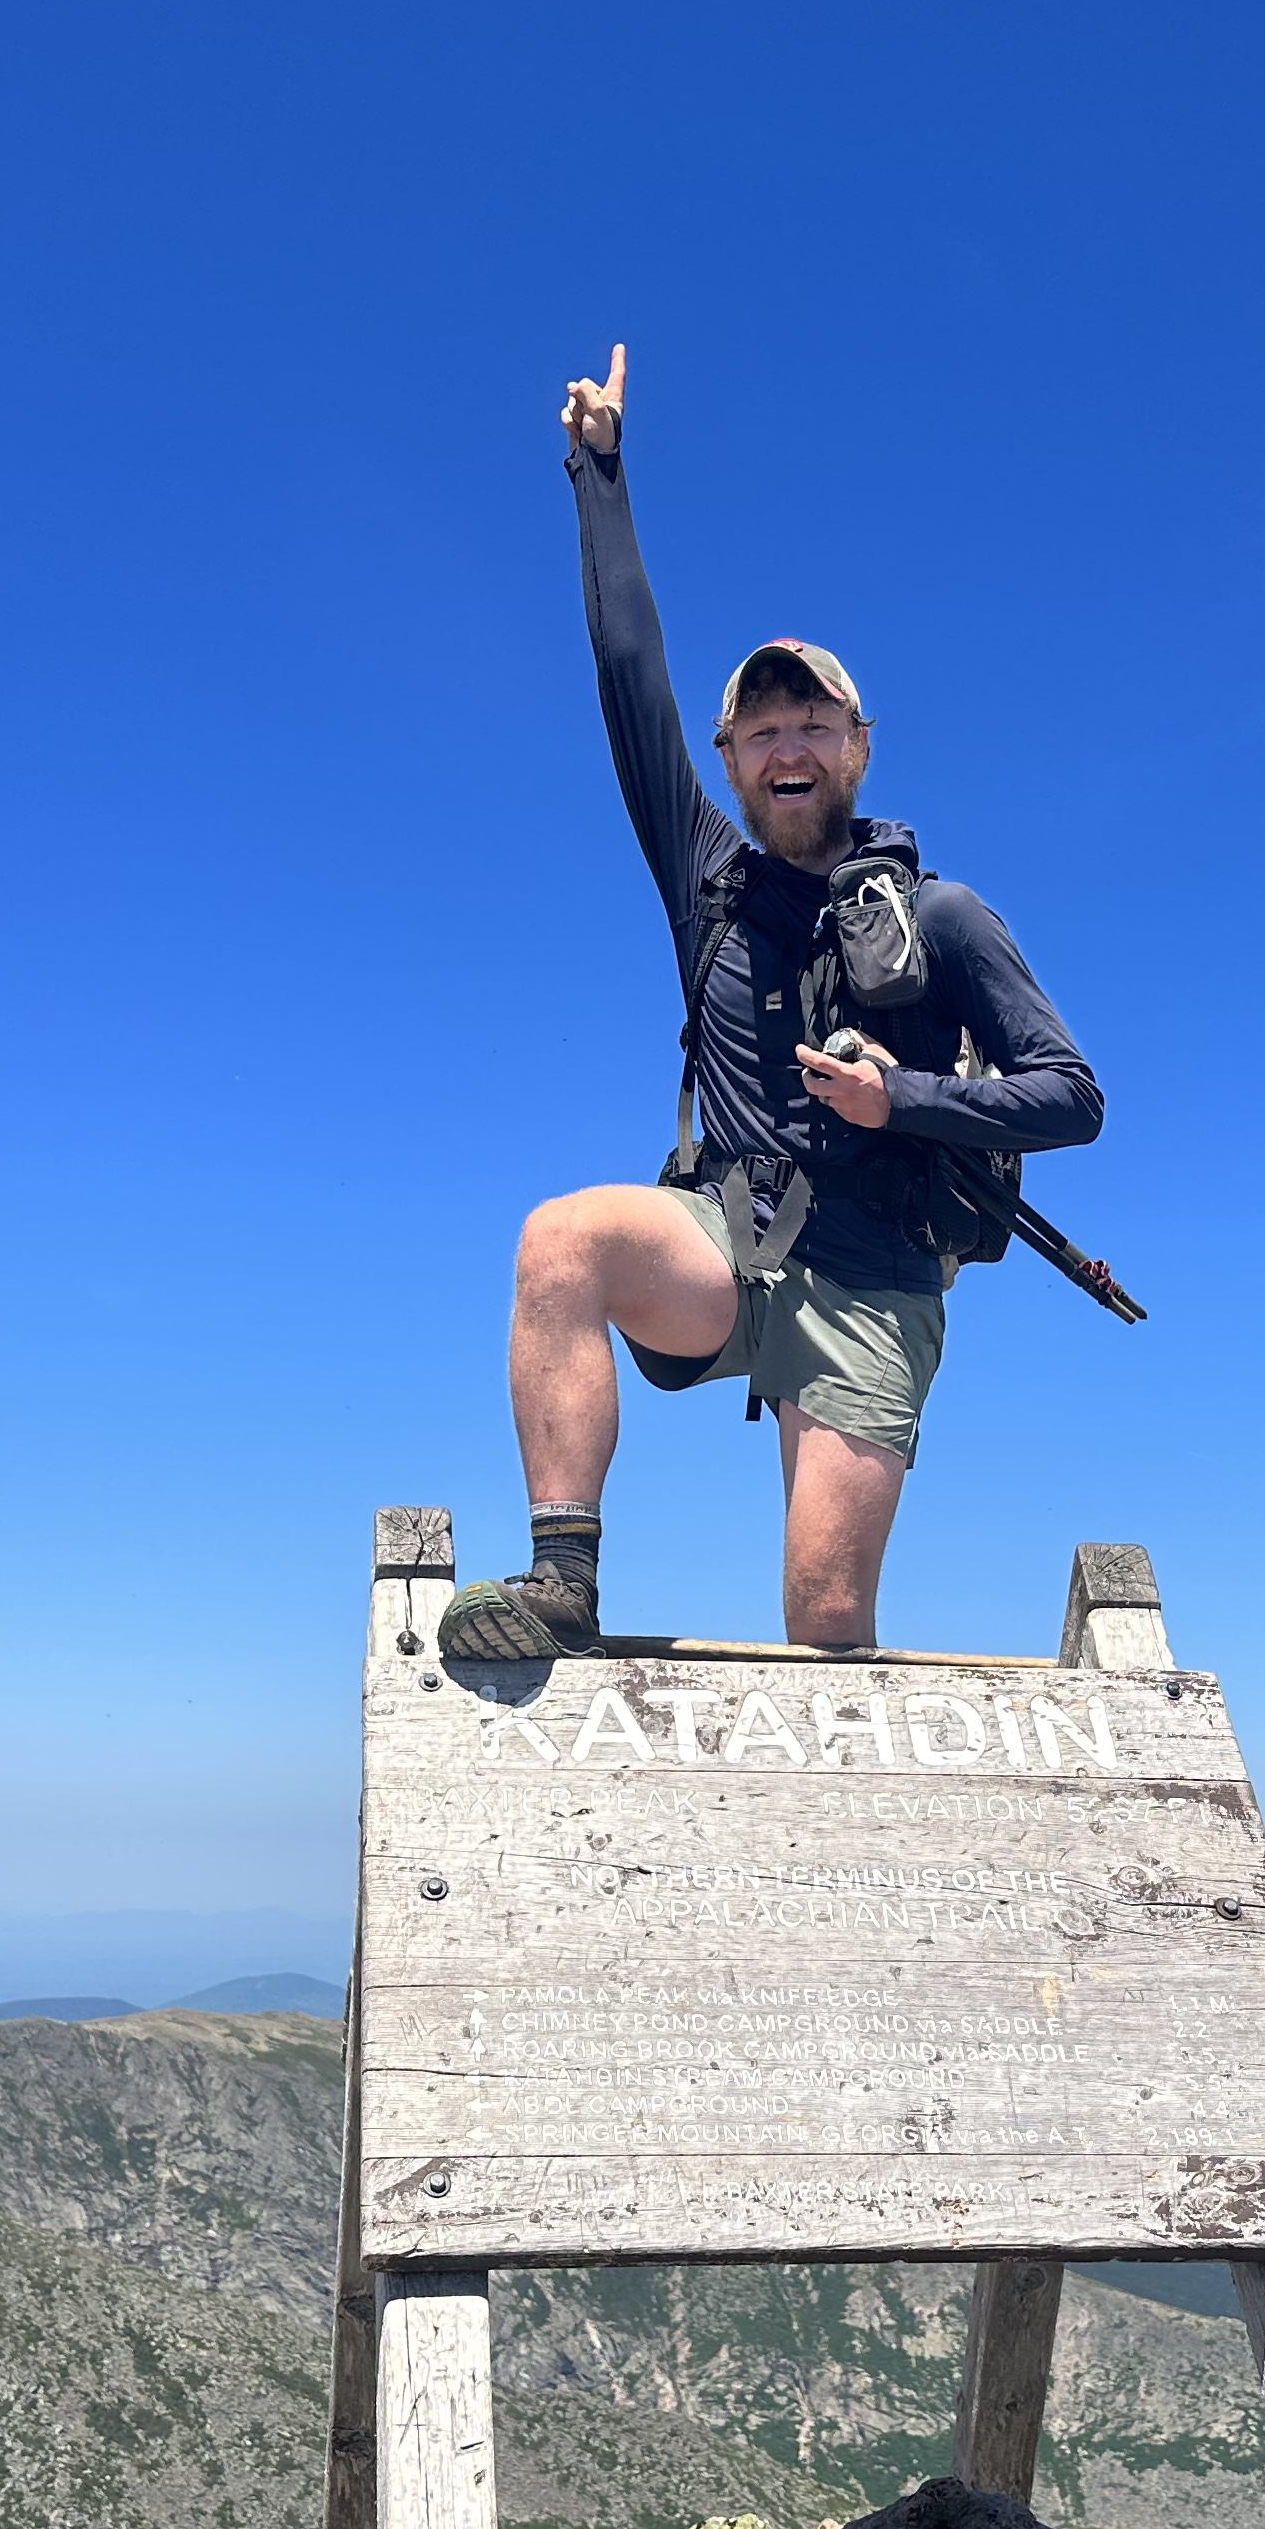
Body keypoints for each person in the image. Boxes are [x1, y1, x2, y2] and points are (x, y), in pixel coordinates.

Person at [437, 346, 1106, 1663]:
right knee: (562, 1239)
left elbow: (1074, 1098)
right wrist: (600, 475)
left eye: (815, 725)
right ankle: (562, 1582)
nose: (788, 748)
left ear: (858, 748)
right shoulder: (711, 880)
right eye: (761, 731)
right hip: (730, 1248)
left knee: (826, 1620)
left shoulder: (951, 918)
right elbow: (631, 674)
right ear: (733, 759)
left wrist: (901, 1097)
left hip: (876, 1281)